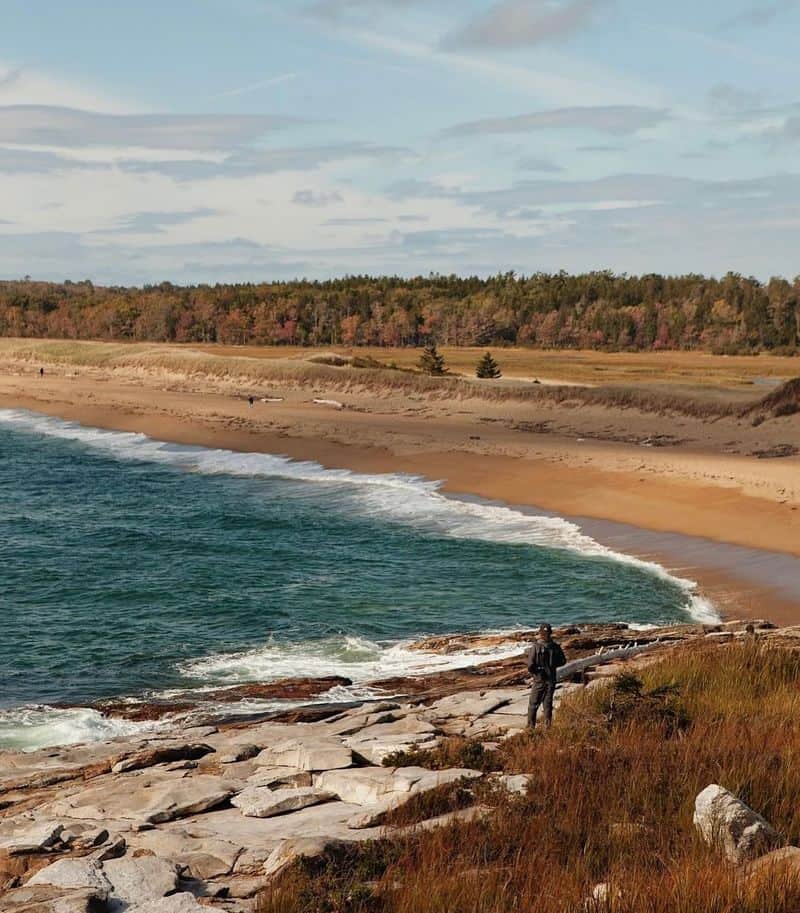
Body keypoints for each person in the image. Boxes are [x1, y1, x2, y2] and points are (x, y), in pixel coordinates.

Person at [526, 623, 566, 729]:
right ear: (550, 633)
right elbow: (563, 661)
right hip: (551, 679)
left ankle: (530, 729)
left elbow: (530, 665)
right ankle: (547, 728)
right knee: (547, 705)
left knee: (533, 705)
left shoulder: (536, 647)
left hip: (539, 680)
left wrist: (537, 671)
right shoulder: (555, 646)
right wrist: (552, 666)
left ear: (540, 633)